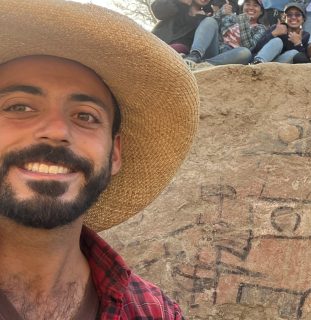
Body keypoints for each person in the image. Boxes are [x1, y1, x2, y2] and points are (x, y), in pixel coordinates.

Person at [0, 0, 198, 318]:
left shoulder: (154, 312)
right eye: (19, 107)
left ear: (114, 153)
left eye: (85, 116)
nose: (56, 131)